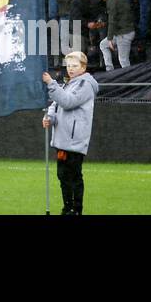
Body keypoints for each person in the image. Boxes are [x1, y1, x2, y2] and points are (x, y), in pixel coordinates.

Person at [42, 51, 99, 216]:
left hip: (74, 139)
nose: (71, 69)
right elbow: (56, 105)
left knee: (73, 175)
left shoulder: (85, 84)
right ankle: (67, 208)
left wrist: (51, 83)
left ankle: (76, 210)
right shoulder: (70, 82)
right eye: (68, 66)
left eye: (75, 66)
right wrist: (50, 117)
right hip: (63, 138)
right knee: (63, 175)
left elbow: (68, 102)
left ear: (83, 67)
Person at [97, 0, 134, 70]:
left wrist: (109, 38)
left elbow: (112, 20)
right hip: (121, 32)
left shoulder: (112, 1)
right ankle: (109, 69)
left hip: (124, 33)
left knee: (123, 60)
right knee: (103, 44)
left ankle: (130, 81)